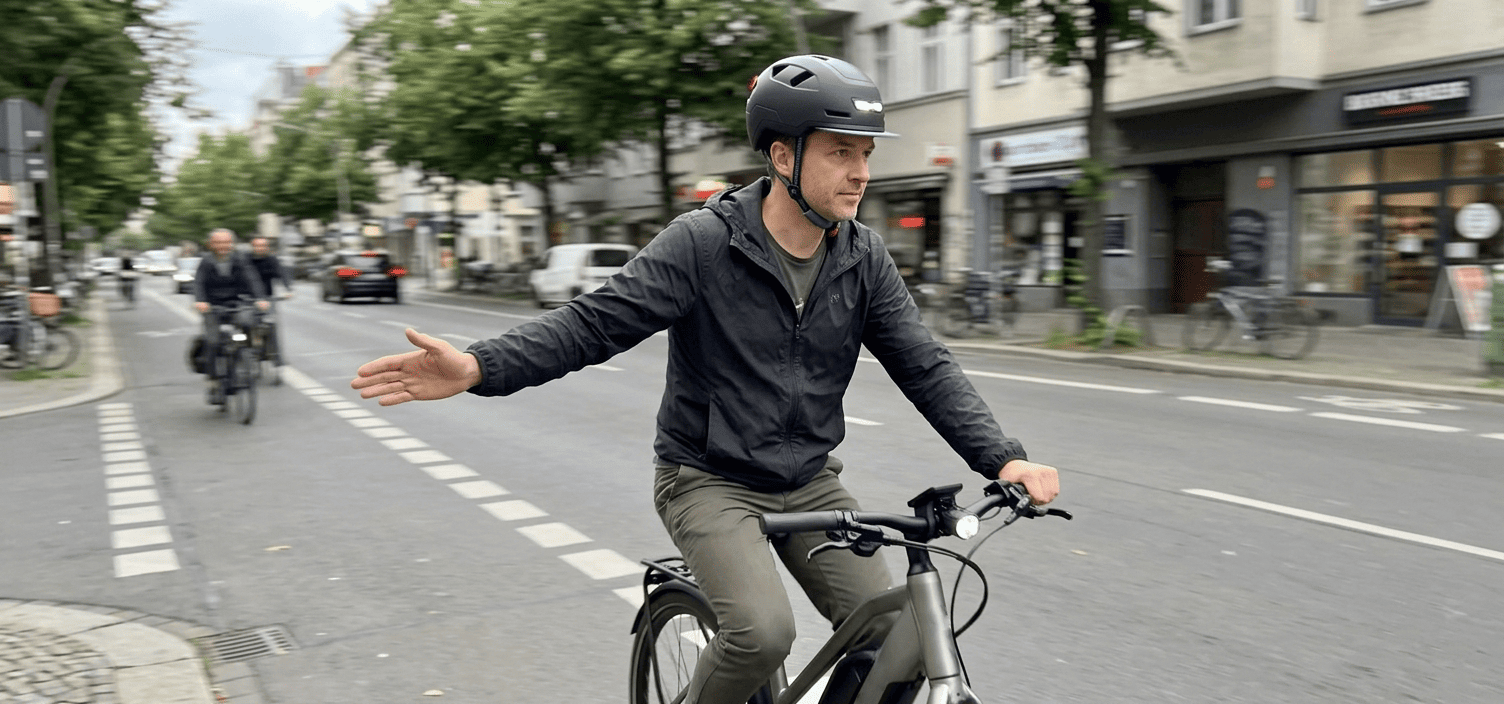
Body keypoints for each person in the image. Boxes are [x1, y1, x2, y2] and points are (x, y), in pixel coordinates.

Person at [350, 54, 1059, 704]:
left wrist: (1002, 456)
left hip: (808, 478)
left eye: (866, 154)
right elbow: (594, 323)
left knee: (900, 630)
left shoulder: (863, 258)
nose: (861, 172)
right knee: (762, 630)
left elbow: (923, 362)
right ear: (784, 155)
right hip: (708, 478)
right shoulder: (705, 243)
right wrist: (479, 366)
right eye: (841, 151)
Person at [193, 229, 268, 399]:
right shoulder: (206, 261)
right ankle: (213, 379)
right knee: (212, 342)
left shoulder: (240, 259)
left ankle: (246, 357)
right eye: (218, 243)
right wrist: (200, 301)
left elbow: (252, 279)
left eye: (226, 242)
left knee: (248, 323)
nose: (223, 246)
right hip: (212, 307)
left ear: (232, 244)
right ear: (211, 244)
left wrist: (260, 298)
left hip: (236, 303)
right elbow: (198, 282)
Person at [248, 237, 293, 366]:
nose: (260, 248)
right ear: (252, 247)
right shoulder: (246, 260)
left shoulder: (272, 260)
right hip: (248, 299)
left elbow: (282, 274)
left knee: (271, 325)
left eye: (263, 246)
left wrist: (288, 289)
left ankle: (277, 357)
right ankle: (247, 353)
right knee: (247, 324)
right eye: (257, 246)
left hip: (268, 298)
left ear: (267, 248)